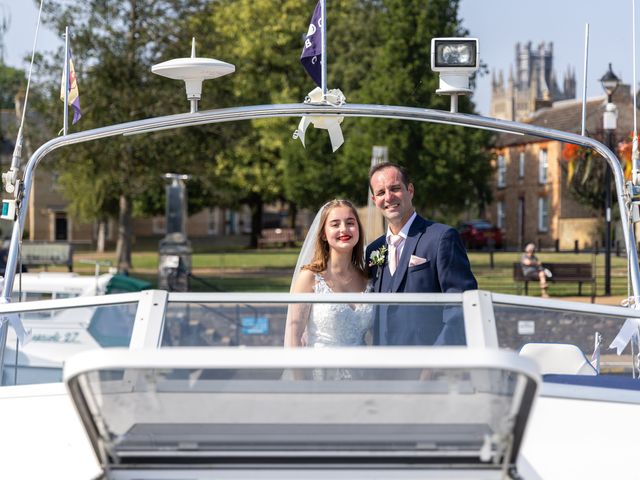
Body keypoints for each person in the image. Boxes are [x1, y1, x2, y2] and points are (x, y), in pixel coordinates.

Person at [365, 162, 477, 346]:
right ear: (374, 199)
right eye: (381, 193)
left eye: (395, 188)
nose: (388, 197)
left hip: (428, 365)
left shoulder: (441, 238)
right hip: (383, 364)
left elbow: (461, 306)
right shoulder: (373, 250)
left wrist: (435, 362)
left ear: (410, 190)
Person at [284, 200, 374, 378]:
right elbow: (294, 337)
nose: (344, 229)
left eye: (350, 223)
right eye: (335, 224)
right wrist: (300, 383)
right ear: (324, 234)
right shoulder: (310, 278)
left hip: (361, 376)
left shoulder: (368, 278)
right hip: (321, 375)